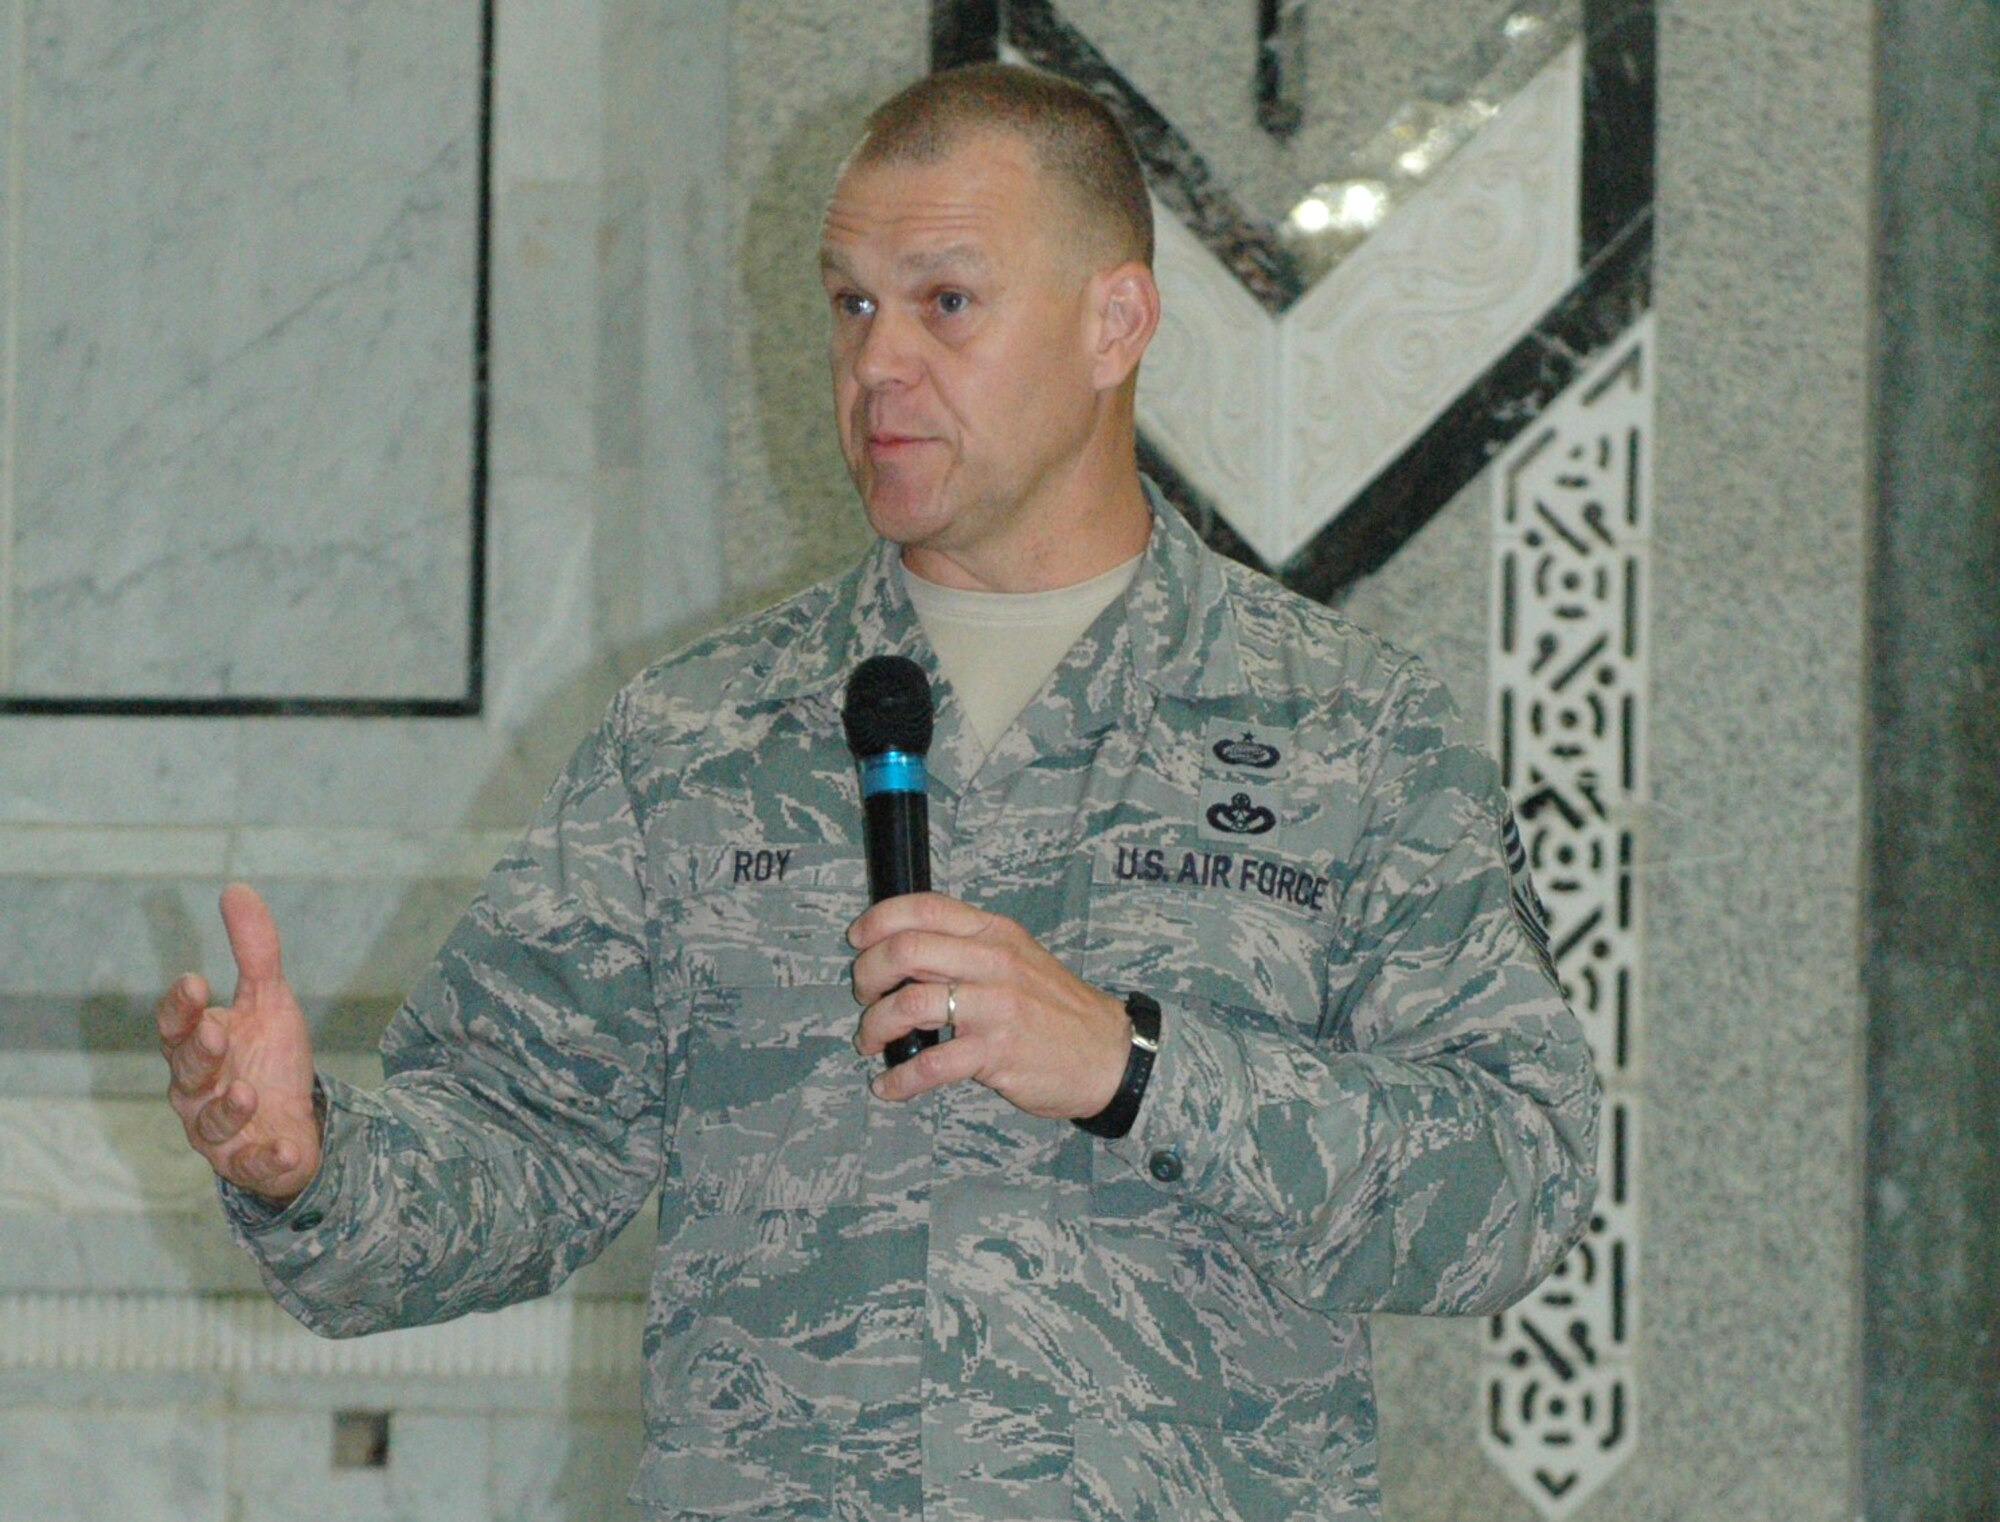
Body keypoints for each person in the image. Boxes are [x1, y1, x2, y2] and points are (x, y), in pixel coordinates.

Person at [157, 63, 1597, 1520]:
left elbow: (1518, 1186)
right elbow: (522, 1145)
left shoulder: (1350, 730)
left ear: (1115, 323)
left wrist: (1135, 1064)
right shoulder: (699, 738)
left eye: (945, 302)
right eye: (851, 304)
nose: (878, 364)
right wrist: (308, 1162)